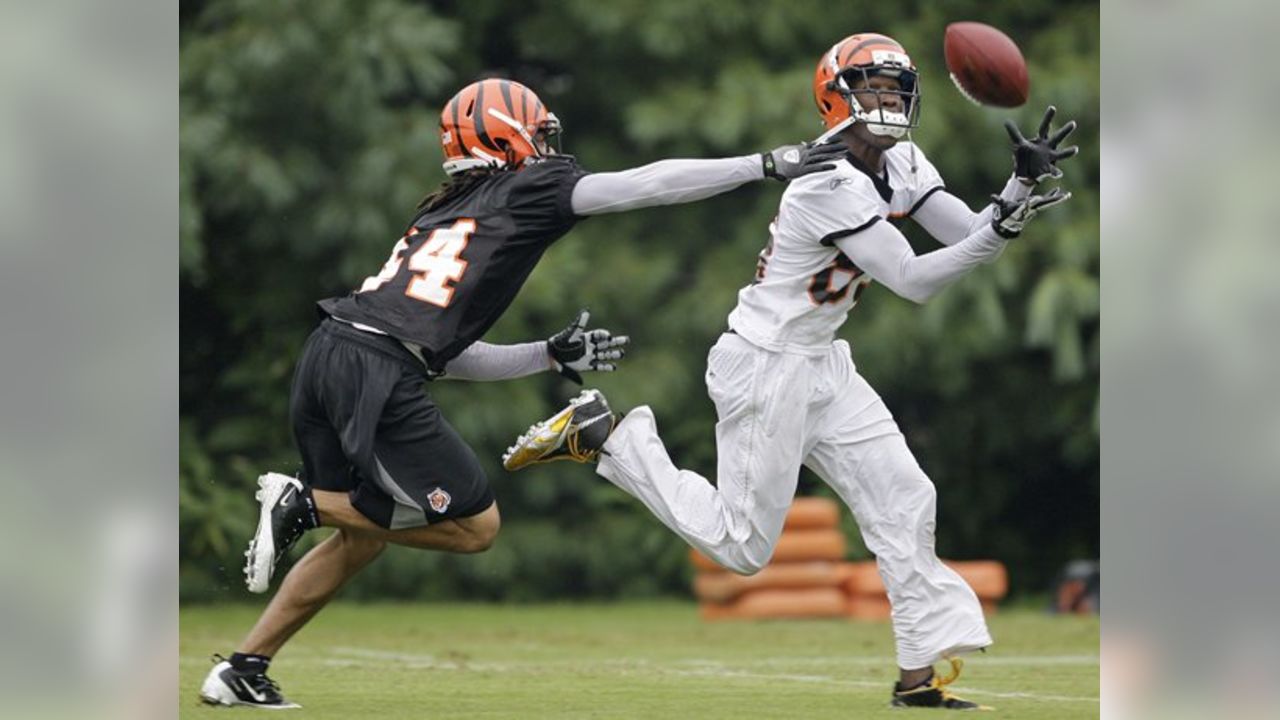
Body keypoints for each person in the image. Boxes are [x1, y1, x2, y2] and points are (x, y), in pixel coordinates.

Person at [197, 77, 844, 709]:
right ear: (506, 137)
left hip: (332, 352)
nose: (550, 148)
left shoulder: (444, 209)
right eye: (538, 134)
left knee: (363, 531)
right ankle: (304, 503)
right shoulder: (531, 187)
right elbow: (645, 185)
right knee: (474, 526)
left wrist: (546, 355)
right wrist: (763, 165)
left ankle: (245, 667)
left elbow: (443, 354)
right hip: (375, 366)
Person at [503, 33, 1078, 710]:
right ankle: (611, 437)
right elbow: (915, 280)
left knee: (905, 499)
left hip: (823, 360)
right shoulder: (826, 182)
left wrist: (1016, 184)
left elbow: (966, 234)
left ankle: (918, 680)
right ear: (836, 97)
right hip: (766, 363)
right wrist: (1002, 227)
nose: (888, 101)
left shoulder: (905, 160)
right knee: (744, 548)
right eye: (873, 88)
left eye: (895, 88)